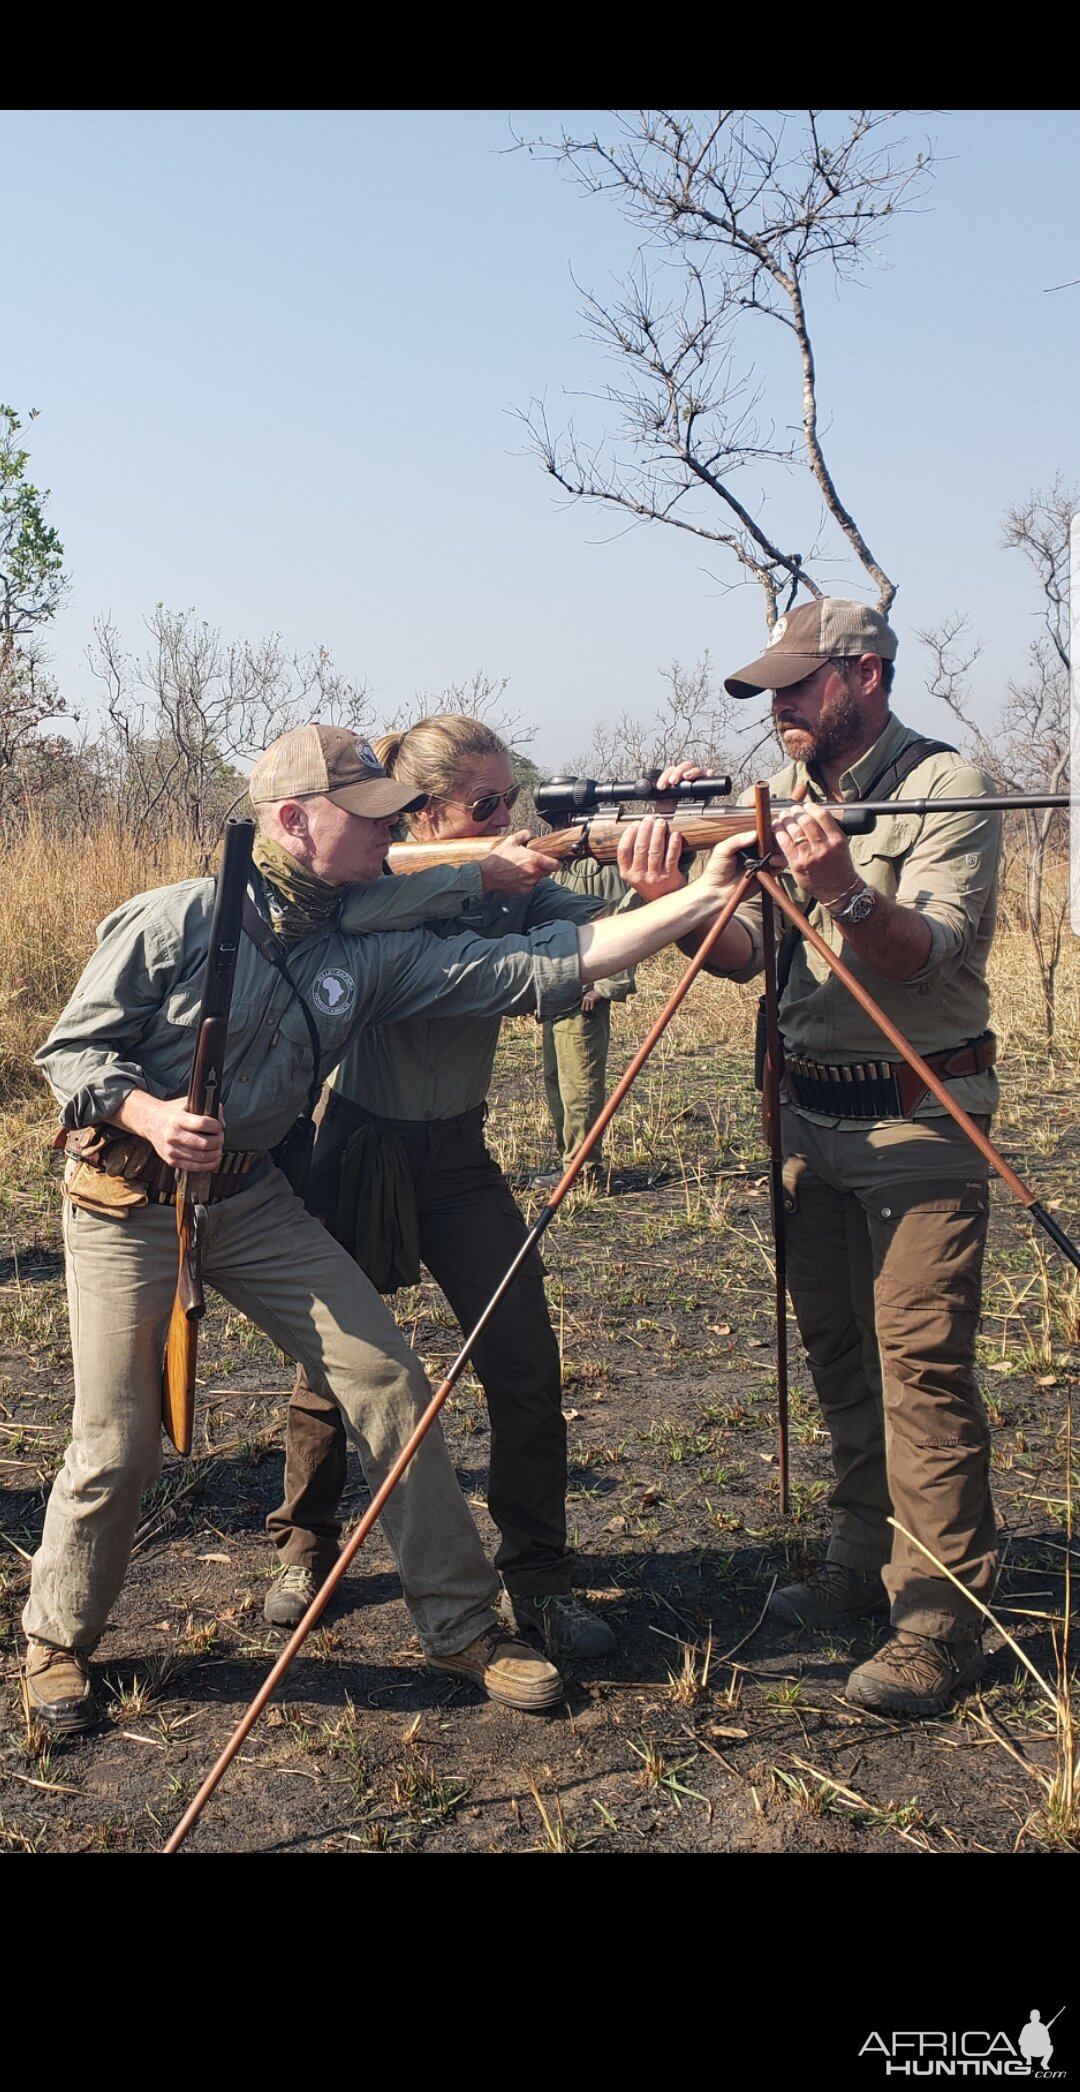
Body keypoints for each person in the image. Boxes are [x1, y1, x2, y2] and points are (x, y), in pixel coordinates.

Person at [24, 722, 740, 1735]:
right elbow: (70, 1055)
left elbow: (545, 966)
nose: (385, 831)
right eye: (362, 817)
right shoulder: (175, 920)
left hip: (253, 1197)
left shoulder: (363, 954)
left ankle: (460, 1627)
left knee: (389, 1381)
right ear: (291, 821)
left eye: (391, 813)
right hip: (123, 1205)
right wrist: (146, 1112)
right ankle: (57, 1645)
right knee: (119, 1441)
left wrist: (700, 900)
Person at [625, 601, 1002, 1719]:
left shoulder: (947, 788)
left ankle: (939, 1622)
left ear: (866, 677)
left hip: (916, 1120)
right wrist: (672, 896)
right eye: (771, 691)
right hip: (808, 1121)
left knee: (921, 1365)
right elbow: (748, 961)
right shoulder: (787, 802)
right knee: (839, 1347)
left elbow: (928, 954)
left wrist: (842, 885)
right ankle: (858, 1558)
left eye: (798, 686)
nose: (779, 707)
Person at [264, 717, 630, 1661]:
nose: (511, 818)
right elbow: (355, 916)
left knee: (525, 1363)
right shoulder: (369, 884)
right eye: (486, 804)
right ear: (419, 814)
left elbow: (593, 936)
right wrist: (474, 872)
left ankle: (540, 1573)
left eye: (512, 798)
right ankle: (304, 1544)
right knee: (329, 1367)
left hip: (460, 1158)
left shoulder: (510, 892)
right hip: (360, 1146)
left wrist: (660, 876)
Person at [536, 853, 636, 1194]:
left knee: (581, 1087)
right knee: (557, 1082)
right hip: (555, 989)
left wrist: (604, 986)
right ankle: (569, 1162)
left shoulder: (604, 865)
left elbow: (620, 919)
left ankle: (585, 1171)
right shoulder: (556, 866)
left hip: (584, 997)